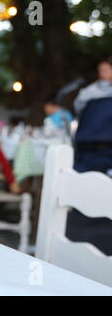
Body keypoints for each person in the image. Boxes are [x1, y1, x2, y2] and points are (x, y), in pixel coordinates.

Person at [66, 57, 112, 256]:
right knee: (83, 179)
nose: (102, 73)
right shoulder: (90, 92)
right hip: (87, 142)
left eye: (106, 69)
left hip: (107, 144)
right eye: (100, 69)